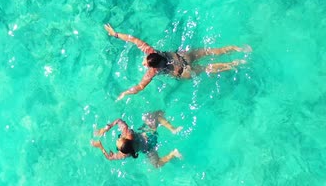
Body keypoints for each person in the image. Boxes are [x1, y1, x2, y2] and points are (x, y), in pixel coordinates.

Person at [104, 23, 251, 101]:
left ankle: (235, 64)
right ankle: (237, 48)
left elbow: (140, 86)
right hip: (183, 57)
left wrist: (125, 93)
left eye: (145, 63)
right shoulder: (151, 51)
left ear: (152, 66)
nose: (144, 63)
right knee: (210, 51)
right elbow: (133, 39)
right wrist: (115, 33)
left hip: (183, 72)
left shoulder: (153, 71)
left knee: (208, 68)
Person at [90, 110, 182, 168]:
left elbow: (109, 157)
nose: (117, 140)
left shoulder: (125, 154)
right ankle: (173, 129)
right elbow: (119, 120)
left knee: (156, 164)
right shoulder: (129, 134)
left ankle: (173, 154)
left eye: (118, 140)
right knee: (155, 116)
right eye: (119, 140)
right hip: (148, 134)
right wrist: (106, 128)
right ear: (126, 139)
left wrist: (100, 146)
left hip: (148, 148)